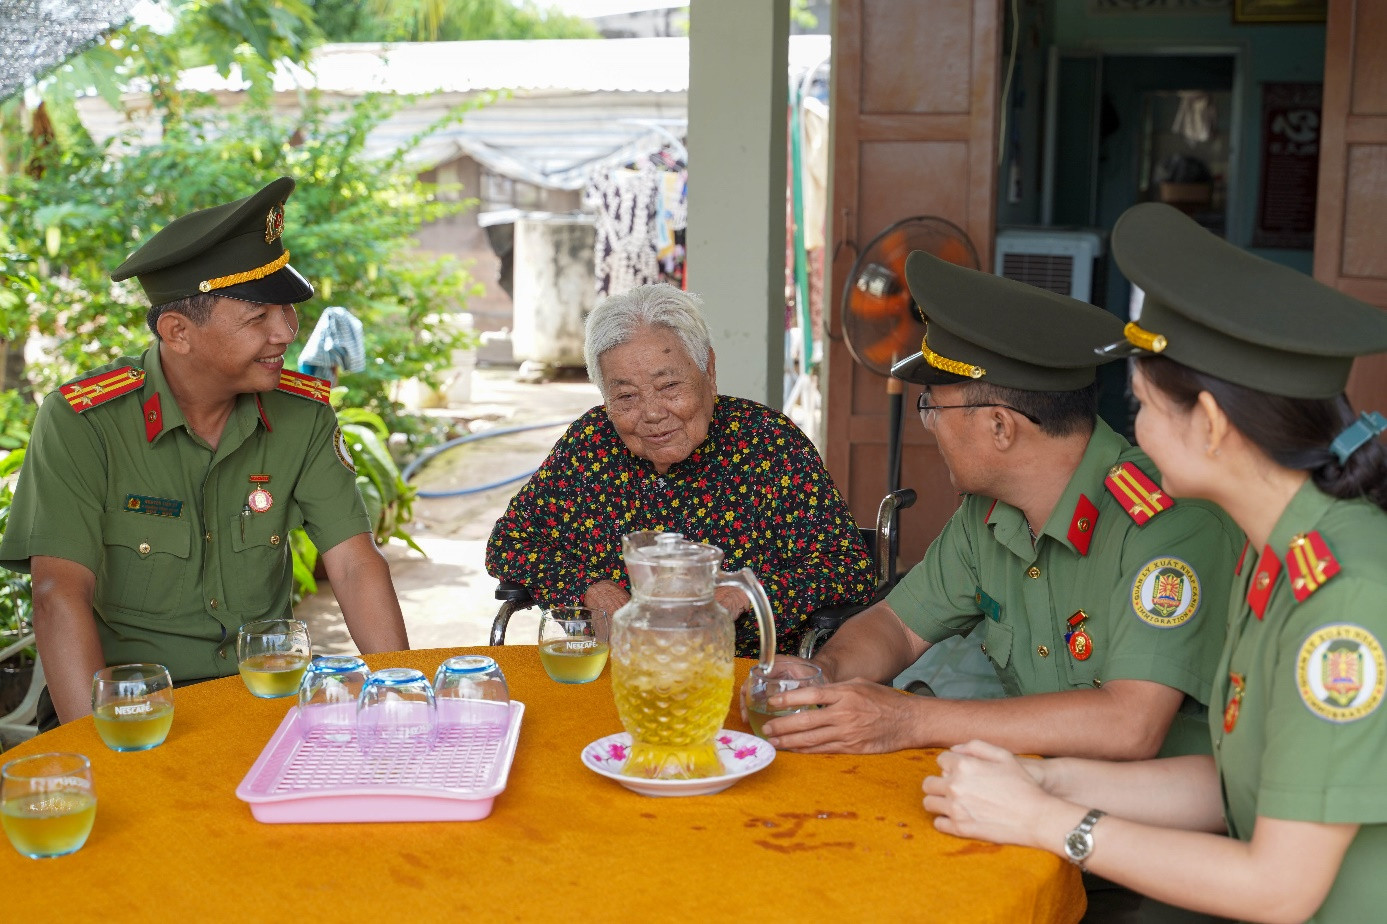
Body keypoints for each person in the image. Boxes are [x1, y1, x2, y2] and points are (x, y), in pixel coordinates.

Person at [922, 203, 1387, 923]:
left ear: (1211, 424)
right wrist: (1045, 781)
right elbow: (1234, 783)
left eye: (1140, 406)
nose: (1130, 430)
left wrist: (1046, 823)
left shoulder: (1343, 597)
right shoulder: (1277, 554)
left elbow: (1281, 887)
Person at [756, 250, 1243, 762]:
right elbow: (897, 626)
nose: (930, 425)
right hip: (1039, 790)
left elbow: (1131, 724)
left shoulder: (1170, 523)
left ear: (1000, 426)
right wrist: (823, 672)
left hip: (1157, 807)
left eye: (932, 407)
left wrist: (908, 720)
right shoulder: (986, 516)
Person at [0, 176, 410, 730]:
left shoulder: (303, 416)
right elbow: (58, 595)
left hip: (261, 696)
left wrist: (400, 696)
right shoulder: (84, 423)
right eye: (258, 318)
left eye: (287, 310)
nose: (286, 332)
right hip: (132, 707)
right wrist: (102, 746)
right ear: (178, 332)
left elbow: (355, 564)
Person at [486, 283, 874, 656]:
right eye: (626, 396)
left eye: (669, 386)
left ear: (709, 370)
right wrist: (588, 588)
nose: (652, 413)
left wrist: (743, 594)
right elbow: (511, 542)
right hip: (614, 669)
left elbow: (847, 566)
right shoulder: (590, 444)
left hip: (745, 670)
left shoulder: (769, 444)